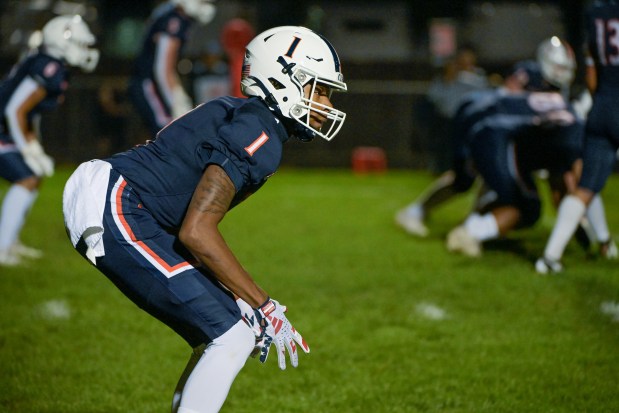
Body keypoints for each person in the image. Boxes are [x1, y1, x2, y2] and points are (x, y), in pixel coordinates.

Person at [62, 26, 347, 413]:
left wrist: (239, 299)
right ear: (285, 80)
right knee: (231, 336)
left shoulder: (249, 118)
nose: (326, 102)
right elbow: (197, 231)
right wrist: (263, 304)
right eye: (319, 88)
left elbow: (185, 231)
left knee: (230, 332)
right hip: (116, 201)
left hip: (124, 202)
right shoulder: (259, 130)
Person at [445, 37, 585, 257]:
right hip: (494, 137)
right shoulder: (568, 117)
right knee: (525, 204)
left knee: (508, 195)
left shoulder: (559, 104)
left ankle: (472, 225)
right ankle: (469, 231)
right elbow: (568, 174)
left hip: (495, 136)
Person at [395, 60, 544, 238]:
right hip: (471, 144)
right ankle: (418, 211)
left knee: (492, 181)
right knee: (463, 181)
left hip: (486, 148)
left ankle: (470, 224)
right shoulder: (491, 103)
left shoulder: (510, 103)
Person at [0, 14, 98, 266]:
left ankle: (9, 241)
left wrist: (33, 143)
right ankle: (2, 247)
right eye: (80, 44)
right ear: (63, 42)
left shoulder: (48, 63)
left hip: (6, 129)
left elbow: (26, 113)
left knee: (32, 176)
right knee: (27, 176)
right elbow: (15, 110)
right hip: (3, 128)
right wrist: (29, 148)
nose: (85, 50)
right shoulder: (49, 66)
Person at [535, 1, 619, 274]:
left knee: (585, 187)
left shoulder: (596, 13)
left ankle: (550, 257)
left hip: (602, 105)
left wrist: (604, 105)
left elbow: (592, 72)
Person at [127, 0, 217, 138]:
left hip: (150, 82)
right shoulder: (174, 20)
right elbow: (162, 68)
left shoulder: (170, 14)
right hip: (149, 84)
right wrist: (176, 103)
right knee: (167, 134)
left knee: (166, 134)